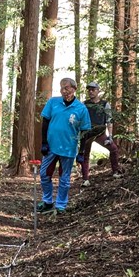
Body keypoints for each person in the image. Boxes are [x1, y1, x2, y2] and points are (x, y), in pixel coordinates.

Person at [37, 78, 92, 215]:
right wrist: (44, 142)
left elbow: (85, 132)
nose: (64, 91)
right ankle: (47, 201)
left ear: (74, 89)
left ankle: (61, 205)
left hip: (68, 149)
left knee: (65, 178)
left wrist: (81, 152)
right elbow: (45, 122)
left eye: (66, 88)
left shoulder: (81, 108)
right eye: (62, 88)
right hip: (51, 147)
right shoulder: (53, 102)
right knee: (44, 174)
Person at [78, 82, 120, 182]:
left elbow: (109, 120)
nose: (91, 92)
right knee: (85, 155)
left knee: (114, 149)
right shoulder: (84, 104)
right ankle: (85, 179)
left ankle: (115, 172)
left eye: (93, 90)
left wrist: (110, 136)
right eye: (89, 90)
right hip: (87, 134)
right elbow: (80, 119)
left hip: (100, 134)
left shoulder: (105, 104)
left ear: (98, 91)